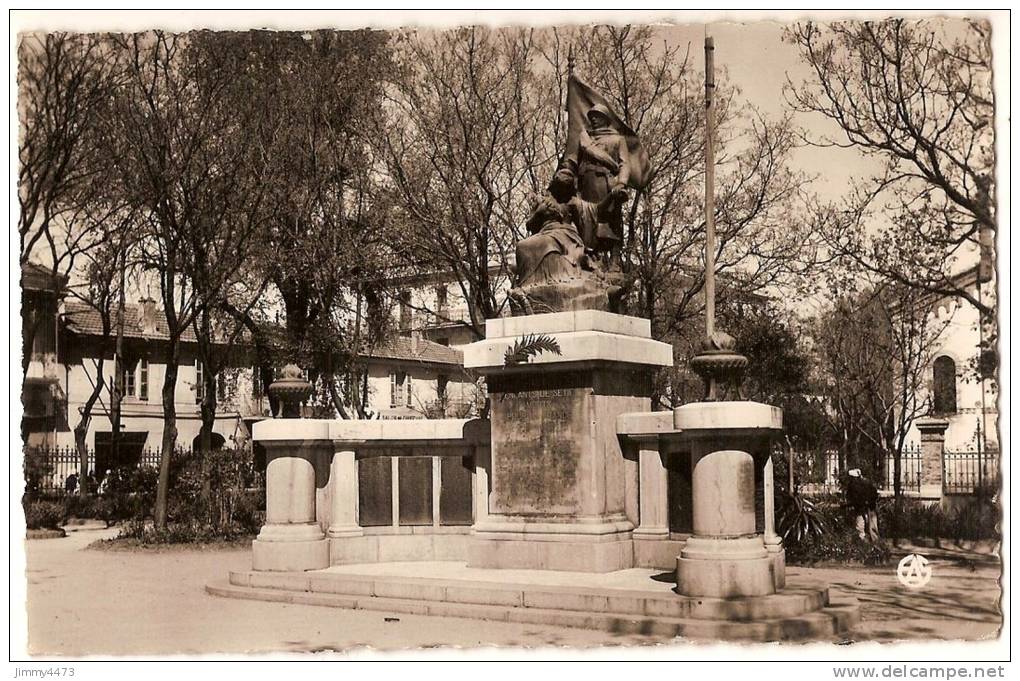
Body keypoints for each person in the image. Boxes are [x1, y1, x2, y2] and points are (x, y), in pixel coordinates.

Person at [845, 468, 880, 542]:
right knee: (870, 522)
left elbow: (851, 497)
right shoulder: (866, 482)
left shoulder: (853, 485)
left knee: (861, 522)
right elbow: (874, 493)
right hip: (867, 505)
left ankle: (863, 538)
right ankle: (872, 539)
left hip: (863, 506)